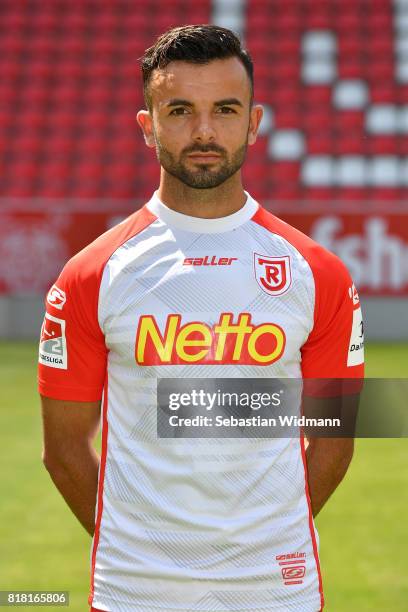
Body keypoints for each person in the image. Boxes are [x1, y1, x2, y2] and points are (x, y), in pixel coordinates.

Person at [39, 24, 364, 612]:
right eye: (181, 110)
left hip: (275, 591)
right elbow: (62, 449)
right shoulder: (90, 274)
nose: (206, 131)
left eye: (226, 109)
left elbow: (336, 439)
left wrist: (261, 544)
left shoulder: (319, 273)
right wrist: (143, 549)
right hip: (134, 592)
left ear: (255, 123)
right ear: (148, 125)